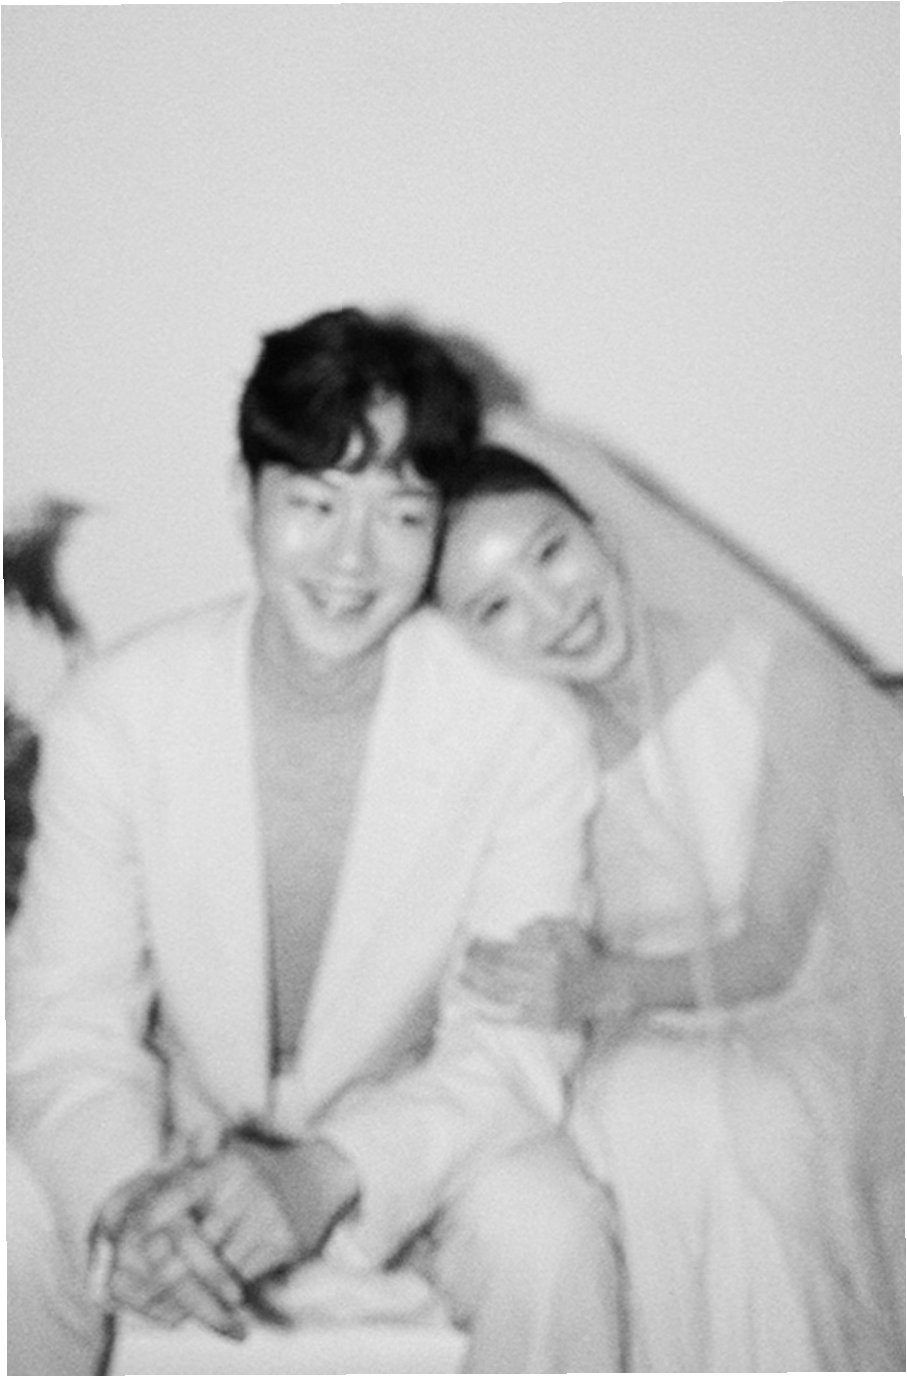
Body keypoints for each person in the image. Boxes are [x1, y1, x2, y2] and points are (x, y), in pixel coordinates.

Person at [6, 310, 621, 1376]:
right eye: (315, 502)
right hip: (180, 1127)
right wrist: (128, 1196)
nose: (351, 557)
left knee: (549, 1226)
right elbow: (69, 1017)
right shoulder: (116, 712)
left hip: (408, 1133)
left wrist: (332, 1168)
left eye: (400, 514)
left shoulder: (524, 730)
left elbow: (509, 1044)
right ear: (244, 498)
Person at [435, 416, 904, 1373]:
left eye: (550, 553)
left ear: (601, 530)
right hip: (634, 1041)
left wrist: (598, 984)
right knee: (648, 1102)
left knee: (753, 1117)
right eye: (494, 607)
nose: (551, 609)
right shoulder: (528, 750)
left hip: (809, 1016)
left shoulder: (781, 675)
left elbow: (772, 945)